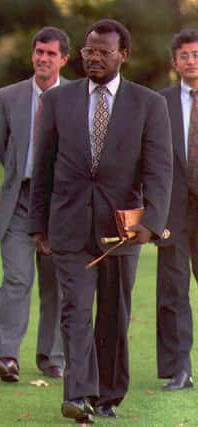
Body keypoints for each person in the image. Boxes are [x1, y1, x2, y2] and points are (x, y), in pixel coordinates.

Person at [29, 19, 172, 423]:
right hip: (69, 226)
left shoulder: (148, 105)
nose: (93, 58)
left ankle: (108, 394)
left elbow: (159, 171)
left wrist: (153, 222)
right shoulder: (59, 101)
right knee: (75, 311)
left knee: (113, 314)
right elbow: (43, 167)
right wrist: (38, 225)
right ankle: (78, 395)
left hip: (121, 231)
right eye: (89, 51)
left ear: (122, 55)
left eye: (102, 52)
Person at [0, 26, 69, 383]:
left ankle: (52, 357)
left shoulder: (78, 96)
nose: (43, 58)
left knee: (57, 284)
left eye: (51, 53)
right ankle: (7, 355)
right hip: (20, 198)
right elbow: (6, 150)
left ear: (63, 59)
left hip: (61, 203)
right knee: (16, 278)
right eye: (39, 51)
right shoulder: (8, 96)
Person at [156, 28, 198, 392]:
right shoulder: (160, 103)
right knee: (173, 289)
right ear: (174, 63)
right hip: (172, 209)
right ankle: (177, 370)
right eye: (184, 55)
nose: (191, 61)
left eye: (197, 54)